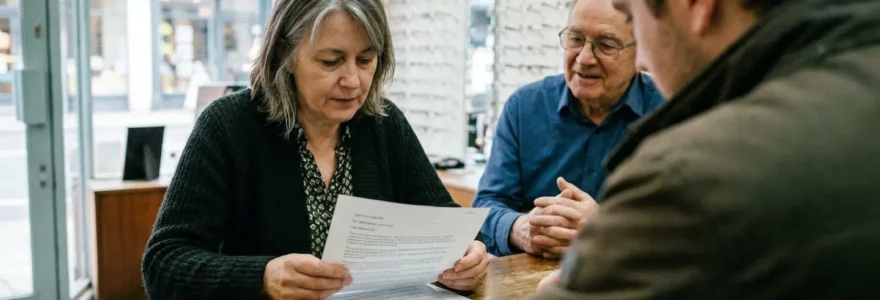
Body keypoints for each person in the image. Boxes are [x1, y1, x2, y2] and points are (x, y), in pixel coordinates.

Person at [141, 1, 490, 299]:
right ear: (286, 55)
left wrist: (469, 256)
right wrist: (262, 277)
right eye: (330, 62)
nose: (353, 81)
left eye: (366, 60)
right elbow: (163, 264)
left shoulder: (383, 124)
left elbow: (447, 224)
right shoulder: (228, 126)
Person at [535, 0, 880, 298]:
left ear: (696, 5)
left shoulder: (687, 177)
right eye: (576, 39)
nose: (640, 61)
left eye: (635, 23)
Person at [472, 0, 664, 258]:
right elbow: (486, 206)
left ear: (640, 52)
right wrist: (520, 229)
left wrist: (607, 228)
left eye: (606, 45)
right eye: (575, 39)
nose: (584, 59)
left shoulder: (671, 116)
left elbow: (691, 226)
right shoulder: (523, 108)